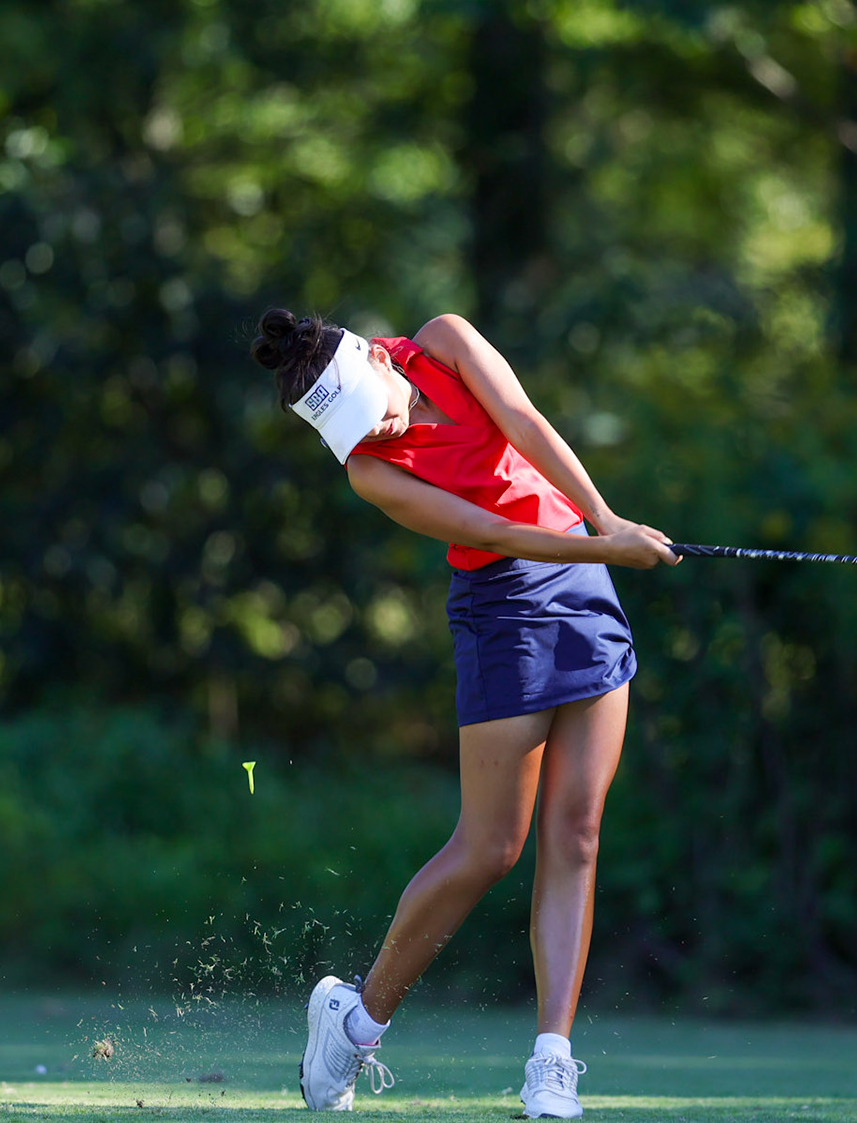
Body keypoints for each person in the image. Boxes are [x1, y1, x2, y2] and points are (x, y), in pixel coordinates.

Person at [249, 309, 679, 1117]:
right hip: (502, 607)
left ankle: (552, 1060)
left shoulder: (444, 339)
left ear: (380, 357)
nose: (372, 428)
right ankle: (356, 1018)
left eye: (367, 406)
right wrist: (608, 544)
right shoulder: (370, 471)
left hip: (583, 579)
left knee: (578, 832)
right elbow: (490, 528)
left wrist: (607, 519)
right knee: (490, 847)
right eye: (349, 430)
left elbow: (524, 421)